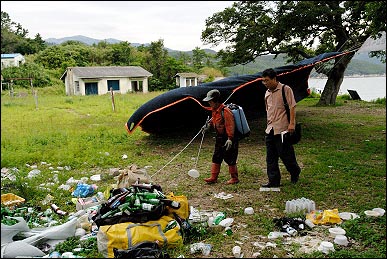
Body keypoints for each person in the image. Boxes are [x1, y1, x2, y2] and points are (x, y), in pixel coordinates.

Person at [261, 68, 301, 187]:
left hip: (283, 129)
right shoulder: (267, 93)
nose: (265, 83)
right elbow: (268, 109)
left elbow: (292, 106)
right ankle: (273, 181)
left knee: (286, 155)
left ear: (274, 79)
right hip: (270, 129)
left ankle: (295, 171)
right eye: (263, 81)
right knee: (271, 158)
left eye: (267, 80)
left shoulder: (285, 89)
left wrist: (292, 123)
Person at [201, 89, 239, 184]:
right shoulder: (214, 110)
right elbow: (213, 120)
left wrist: (230, 139)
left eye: (210, 101)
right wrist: (208, 125)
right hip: (219, 137)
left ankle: (234, 178)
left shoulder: (225, 111)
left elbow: (230, 125)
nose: (209, 103)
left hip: (228, 138)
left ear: (216, 100)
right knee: (216, 156)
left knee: (230, 157)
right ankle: (213, 177)